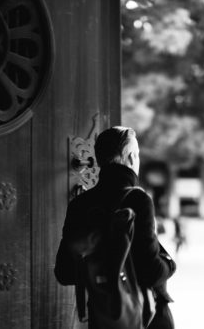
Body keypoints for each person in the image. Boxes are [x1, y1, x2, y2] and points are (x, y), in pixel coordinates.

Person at [54, 126, 175, 328]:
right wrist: (169, 264)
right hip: (144, 317)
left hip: (105, 317)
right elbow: (151, 272)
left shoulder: (80, 204)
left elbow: (64, 272)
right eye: (136, 154)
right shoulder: (138, 199)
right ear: (129, 157)